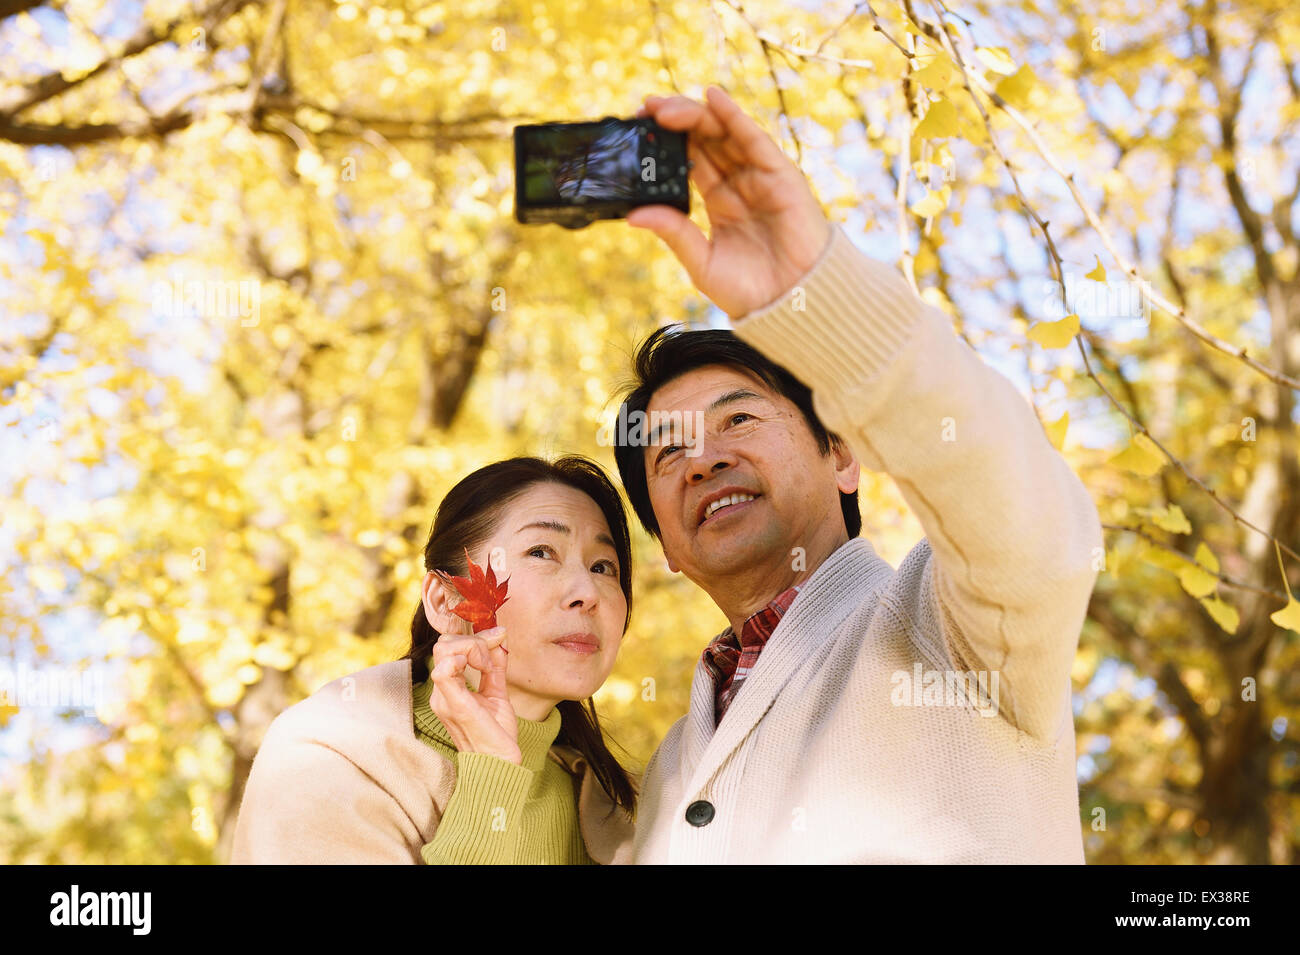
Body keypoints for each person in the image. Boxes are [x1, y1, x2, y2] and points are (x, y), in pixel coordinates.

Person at [612, 87, 1103, 862]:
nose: (704, 458)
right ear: (667, 546)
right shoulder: (668, 771)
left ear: (842, 454)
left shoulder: (953, 628)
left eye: (738, 419)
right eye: (668, 453)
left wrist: (810, 294)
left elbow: (1025, 518)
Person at [231, 456, 637, 864]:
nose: (587, 591)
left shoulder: (617, 812)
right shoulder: (322, 763)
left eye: (603, 566)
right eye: (542, 552)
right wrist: (491, 775)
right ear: (445, 602)